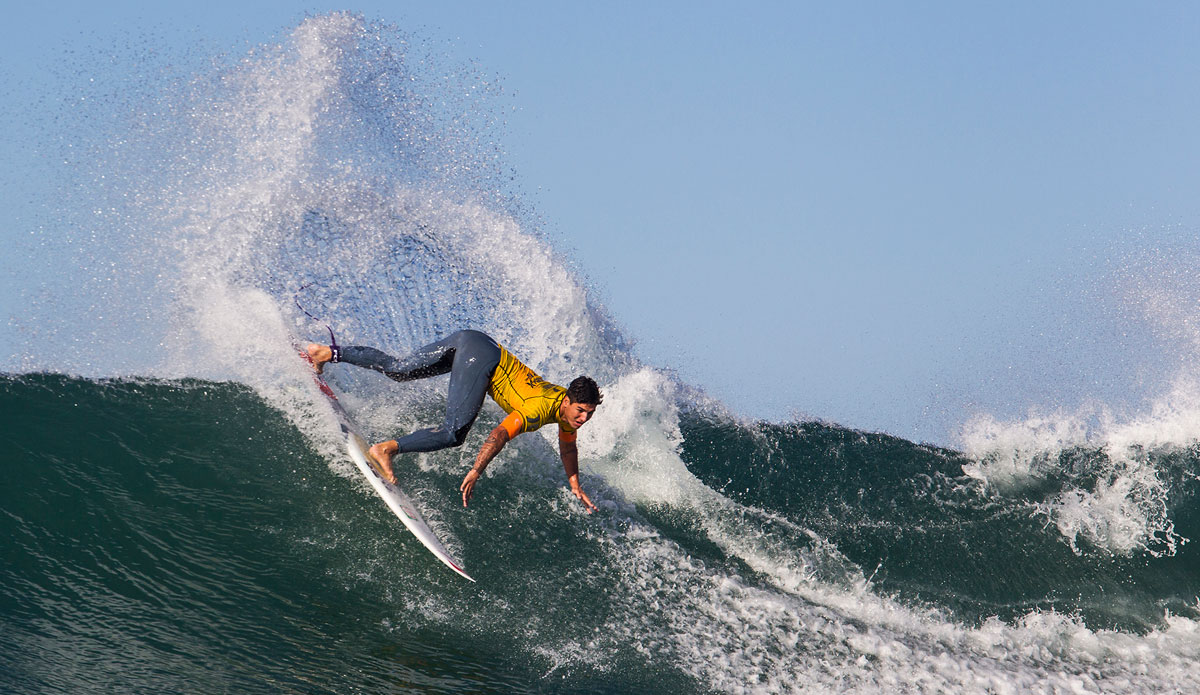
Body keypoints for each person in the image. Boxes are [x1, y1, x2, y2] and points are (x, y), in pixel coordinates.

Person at [306, 329, 601, 512]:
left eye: (589, 414)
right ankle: (386, 449)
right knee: (453, 433)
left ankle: (325, 353)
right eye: (581, 411)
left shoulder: (567, 412)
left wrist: (574, 483)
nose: (584, 418)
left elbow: (568, 447)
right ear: (567, 402)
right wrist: (476, 470)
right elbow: (499, 434)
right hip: (482, 359)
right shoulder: (539, 409)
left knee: (399, 370)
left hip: (475, 341)